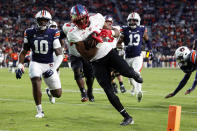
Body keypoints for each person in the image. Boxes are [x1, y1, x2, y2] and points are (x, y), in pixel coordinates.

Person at [67, 4, 143, 126]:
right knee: (108, 90)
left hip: (109, 53)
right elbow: (87, 56)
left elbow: (117, 33)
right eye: (78, 20)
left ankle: (134, 74)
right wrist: (97, 42)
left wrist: (110, 32)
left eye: (82, 18)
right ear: (74, 21)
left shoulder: (97, 18)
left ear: (87, 16)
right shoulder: (73, 33)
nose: (81, 21)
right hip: (96, 62)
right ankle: (127, 117)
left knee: (126, 72)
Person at [15, 10, 63, 118]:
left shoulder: (53, 32)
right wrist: (19, 65)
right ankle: (40, 111)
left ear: (49, 21)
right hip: (35, 62)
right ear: (37, 21)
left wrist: (54, 69)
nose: (42, 22)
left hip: (49, 64)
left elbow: (60, 54)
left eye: (45, 20)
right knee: (36, 82)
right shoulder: (29, 32)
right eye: (40, 20)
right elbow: (23, 51)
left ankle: (50, 92)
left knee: (58, 94)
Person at [118, 12, 153, 102]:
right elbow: (118, 43)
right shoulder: (124, 29)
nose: (132, 22)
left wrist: (149, 54)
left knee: (136, 73)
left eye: (134, 20)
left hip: (137, 56)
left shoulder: (142, 29)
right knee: (130, 77)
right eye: (130, 20)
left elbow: (148, 42)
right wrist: (123, 47)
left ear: (138, 21)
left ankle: (139, 91)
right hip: (127, 57)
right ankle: (134, 88)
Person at [60, 22, 95, 102]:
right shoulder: (68, 28)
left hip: (86, 54)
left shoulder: (88, 26)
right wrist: (60, 46)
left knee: (90, 76)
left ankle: (89, 90)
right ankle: (83, 92)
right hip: (74, 54)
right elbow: (59, 36)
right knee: (77, 71)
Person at [104, 15, 126, 94]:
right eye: (106, 22)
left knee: (117, 70)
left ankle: (121, 84)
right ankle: (114, 85)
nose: (108, 23)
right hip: (105, 52)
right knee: (108, 72)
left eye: (109, 22)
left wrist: (120, 44)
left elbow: (122, 35)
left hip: (114, 51)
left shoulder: (115, 28)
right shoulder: (101, 30)